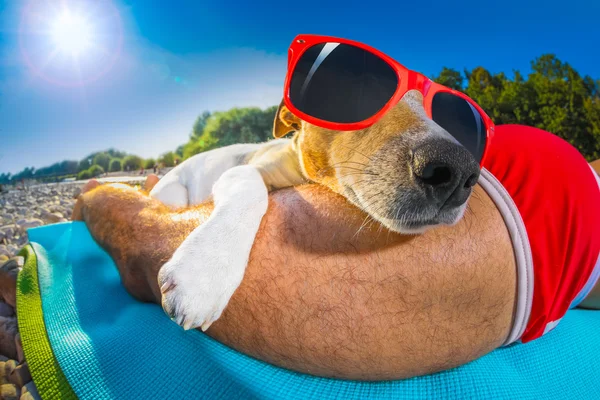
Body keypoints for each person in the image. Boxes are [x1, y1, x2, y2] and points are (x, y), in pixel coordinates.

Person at [71, 124, 600, 381]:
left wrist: (118, 212)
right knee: (144, 230)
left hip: (551, 198)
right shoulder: (556, 194)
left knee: (141, 229)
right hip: (552, 192)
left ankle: (106, 199)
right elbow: (158, 250)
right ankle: (107, 198)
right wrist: (119, 213)